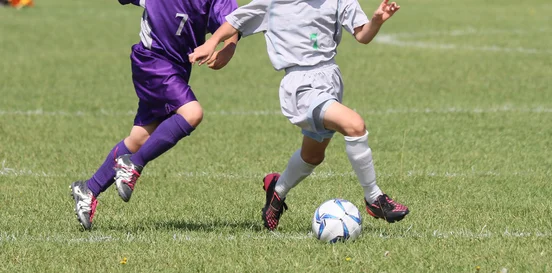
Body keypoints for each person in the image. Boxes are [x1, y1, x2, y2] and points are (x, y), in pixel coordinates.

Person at [189, 0, 409, 230]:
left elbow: (362, 35)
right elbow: (235, 21)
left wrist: (375, 21)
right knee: (354, 125)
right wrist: (213, 43)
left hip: (330, 80)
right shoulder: (274, 4)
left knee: (313, 156)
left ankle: (277, 191)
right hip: (300, 87)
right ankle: (374, 199)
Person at [70, 0, 239, 231]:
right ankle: (132, 166)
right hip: (152, 61)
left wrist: (229, 47)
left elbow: (234, 21)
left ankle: (88, 189)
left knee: (139, 139)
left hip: (178, 68)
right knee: (193, 113)